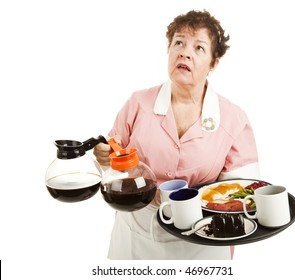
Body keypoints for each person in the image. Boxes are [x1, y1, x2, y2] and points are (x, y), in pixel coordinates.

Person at [94, 10, 260, 260]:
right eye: (179, 43)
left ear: (214, 63)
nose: (185, 52)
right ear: (169, 50)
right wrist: (105, 156)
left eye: (199, 48)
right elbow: (111, 158)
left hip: (202, 237)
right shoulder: (138, 104)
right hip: (137, 233)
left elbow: (243, 193)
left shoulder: (233, 119)